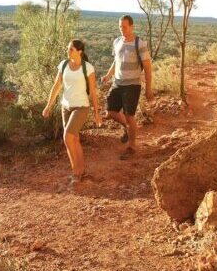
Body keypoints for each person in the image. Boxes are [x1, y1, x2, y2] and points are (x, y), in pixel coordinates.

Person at [42, 39, 102, 184]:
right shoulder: (63, 65)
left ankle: (76, 173)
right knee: (73, 140)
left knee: (68, 137)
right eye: (67, 49)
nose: (68, 52)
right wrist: (48, 106)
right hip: (66, 106)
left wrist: (96, 114)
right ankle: (81, 171)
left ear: (79, 51)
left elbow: (93, 93)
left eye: (71, 49)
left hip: (81, 106)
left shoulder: (88, 68)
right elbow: (57, 86)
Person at [100, 15, 153, 160]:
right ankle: (128, 128)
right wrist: (108, 76)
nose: (122, 29)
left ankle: (132, 147)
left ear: (132, 26)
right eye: (120, 27)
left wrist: (148, 89)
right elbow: (115, 61)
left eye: (124, 27)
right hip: (117, 82)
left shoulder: (140, 44)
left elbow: (148, 67)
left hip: (132, 84)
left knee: (130, 116)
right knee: (110, 111)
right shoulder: (117, 41)